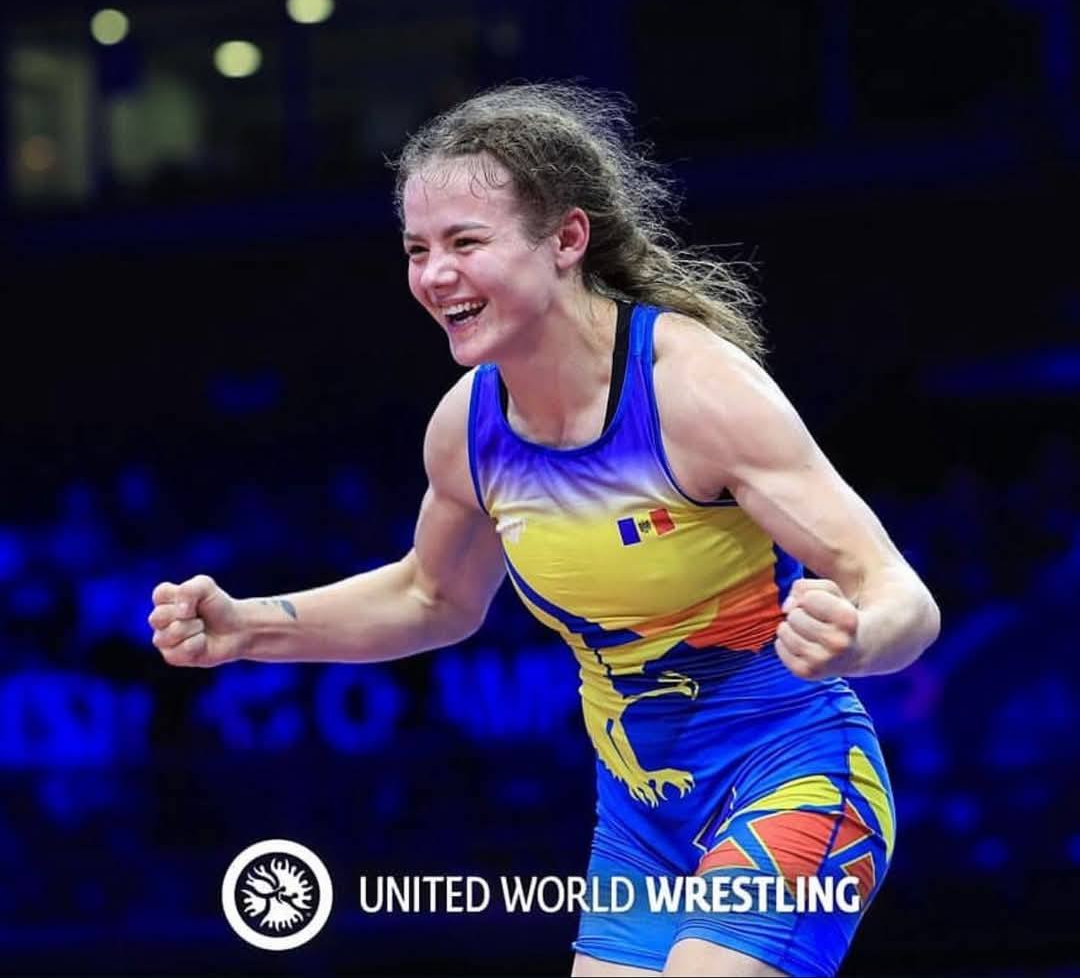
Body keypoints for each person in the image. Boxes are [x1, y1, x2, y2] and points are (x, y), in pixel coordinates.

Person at [148, 83, 939, 977]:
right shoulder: (469, 430)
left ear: (566, 239)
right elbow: (432, 596)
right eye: (417, 249)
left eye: (465, 242)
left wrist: (855, 638)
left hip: (796, 778)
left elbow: (900, 594)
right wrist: (248, 626)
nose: (434, 275)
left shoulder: (695, 392)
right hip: (641, 823)